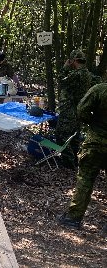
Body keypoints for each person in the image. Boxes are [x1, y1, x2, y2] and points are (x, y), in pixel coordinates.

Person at [57, 82, 107, 229]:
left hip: (95, 143)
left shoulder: (100, 89)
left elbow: (81, 110)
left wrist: (94, 123)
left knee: (85, 180)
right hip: (96, 142)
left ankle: (73, 218)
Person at [55, 50, 99, 162]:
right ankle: (74, 159)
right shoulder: (88, 74)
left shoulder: (77, 74)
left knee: (61, 135)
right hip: (79, 109)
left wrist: (65, 68)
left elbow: (61, 81)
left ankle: (68, 162)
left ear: (74, 60)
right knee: (74, 136)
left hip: (69, 109)